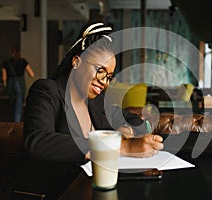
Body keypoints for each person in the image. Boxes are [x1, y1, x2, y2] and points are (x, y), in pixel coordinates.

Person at [23, 22, 164, 163]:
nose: (104, 82)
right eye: (100, 71)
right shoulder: (47, 90)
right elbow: (37, 141)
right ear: (76, 62)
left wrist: (126, 132)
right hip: (59, 182)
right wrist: (122, 146)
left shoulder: (98, 102)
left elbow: (136, 121)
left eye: (109, 77)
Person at [2, 45, 35, 122]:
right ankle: (16, 123)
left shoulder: (6, 62)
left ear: (11, 52)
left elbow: (4, 78)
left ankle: (13, 120)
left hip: (10, 83)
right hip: (20, 83)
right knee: (19, 104)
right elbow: (32, 74)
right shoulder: (23, 61)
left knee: (13, 103)